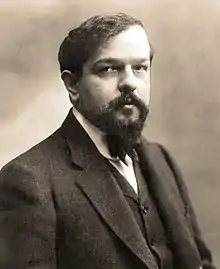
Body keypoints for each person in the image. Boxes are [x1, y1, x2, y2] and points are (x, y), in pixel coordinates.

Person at [0, 13, 215, 269]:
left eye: (140, 68)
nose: (129, 83)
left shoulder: (161, 160)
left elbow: (201, 262)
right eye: (109, 69)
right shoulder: (28, 181)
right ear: (72, 85)